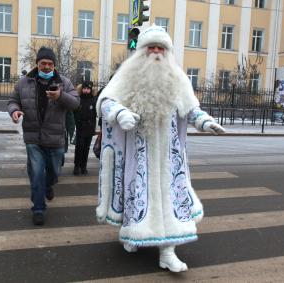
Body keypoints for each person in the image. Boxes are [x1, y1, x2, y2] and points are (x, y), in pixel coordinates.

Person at [95, 25, 225, 273]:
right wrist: (119, 113)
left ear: (167, 51)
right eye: (151, 47)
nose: (156, 52)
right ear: (142, 50)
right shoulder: (127, 75)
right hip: (139, 154)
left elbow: (190, 108)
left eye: (161, 47)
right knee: (137, 197)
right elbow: (106, 101)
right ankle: (133, 234)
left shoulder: (177, 77)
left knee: (169, 201)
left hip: (169, 157)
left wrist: (205, 121)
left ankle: (167, 252)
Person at [7, 46, 80, 226]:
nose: (46, 67)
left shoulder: (64, 82)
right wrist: (14, 111)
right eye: (43, 63)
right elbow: (13, 101)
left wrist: (60, 96)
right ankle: (38, 208)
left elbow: (76, 103)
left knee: (54, 172)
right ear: (37, 64)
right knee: (37, 173)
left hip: (55, 138)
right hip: (33, 137)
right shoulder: (24, 82)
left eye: (49, 63)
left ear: (54, 65)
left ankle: (49, 186)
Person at [73, 80, 97, 175]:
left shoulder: (94, 100)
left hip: (90, 127)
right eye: (84, 88)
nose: (86, 90)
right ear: (81, 89)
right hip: (80, 127)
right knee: (79, 147)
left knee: (86, 148)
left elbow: (96, 114)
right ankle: (76, 166)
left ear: (91, 90)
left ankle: (83, 166)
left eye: (88, 89)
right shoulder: (78, 99)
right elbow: (74, 112)